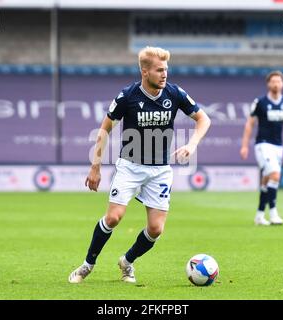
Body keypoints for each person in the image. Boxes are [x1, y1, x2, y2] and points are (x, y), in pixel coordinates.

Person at [69, 46, 211, 283]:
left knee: (156, 229)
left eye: (166, 69)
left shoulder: (174, 93)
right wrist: (95, 166)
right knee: (113, 217)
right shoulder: (128, 96)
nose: (164, 74)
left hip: (160, 171)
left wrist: (192, 144)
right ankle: (87, 265)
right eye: (159, 70)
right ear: (145, 72)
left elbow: (203, 119)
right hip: (130, 167)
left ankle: (127, 262)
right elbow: (104, 129)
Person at [240, 70, 283, 226]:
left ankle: (259, 215)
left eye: (278, 81)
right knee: (275, 175)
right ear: (268, 84)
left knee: (267, 181)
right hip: (263, 144)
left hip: (278, 146)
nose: (276, 84)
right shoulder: (260, 102)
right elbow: (250, 124)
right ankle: (273, 213)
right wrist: (244, 146)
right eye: (273, 81)